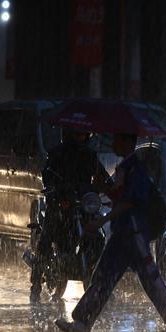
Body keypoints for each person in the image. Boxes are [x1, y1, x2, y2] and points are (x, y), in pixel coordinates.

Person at [55, 133, 166, 332]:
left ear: (128, 142)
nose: (113, 142)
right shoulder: (126, 167)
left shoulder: (135, 169)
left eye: (118, 138)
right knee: (103, 277)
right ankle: (82, 322)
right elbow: (121, 198)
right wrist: (104, 189)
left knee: (149, 278)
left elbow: (129, 202)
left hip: (134, 234)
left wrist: (101, 221)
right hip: (122, 234)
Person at [30, 128, 111, 303]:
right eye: (75, 132)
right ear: (66, 133)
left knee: (98, 236)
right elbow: (47, 176)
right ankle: (35, 285)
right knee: (46, 239)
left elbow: (102, 178)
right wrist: (58, 192)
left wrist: (112, 192)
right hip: (59, 205)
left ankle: (95, 275)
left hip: (83, 205)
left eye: (81, 133)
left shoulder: (90, 156)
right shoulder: (56, 154)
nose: (79, 136)